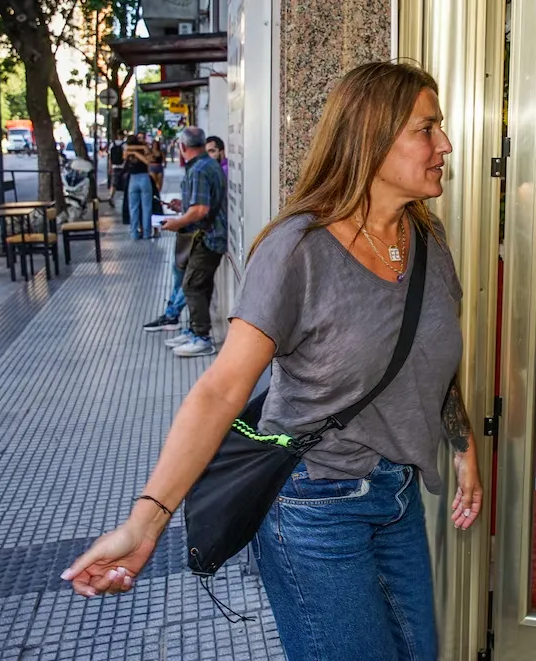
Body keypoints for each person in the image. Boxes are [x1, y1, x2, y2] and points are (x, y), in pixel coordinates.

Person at [61, 62, 482, 661]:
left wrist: (463, 448)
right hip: (315, 506)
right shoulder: (298, 250)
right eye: (426, 129)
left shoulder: (427, 238)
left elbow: (429, 355)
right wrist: (147, 521)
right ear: (369, 137)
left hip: (398, 496)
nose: (445, 145)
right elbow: (220, 390)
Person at [155, 126, 227, 357]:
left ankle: (201, 337)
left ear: (182, 147)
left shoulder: (199, 169)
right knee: (200, 285)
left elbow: (201, 210)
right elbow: (199, 204)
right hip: (208, 235)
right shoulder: (207, 165)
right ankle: (196, 330)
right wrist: (182, 207)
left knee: (192, 285)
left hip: (207, 237)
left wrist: (177, 223)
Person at [124, 135, 153, 239]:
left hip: (133, 179)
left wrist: (133, 152)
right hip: (144, 178)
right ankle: (146, 233)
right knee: (146, 207)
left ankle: (134, 233)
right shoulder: (143, 149)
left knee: (133, 208)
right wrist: (140, 149)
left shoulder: (128, 151)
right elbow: (148, 161)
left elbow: (124, 157)